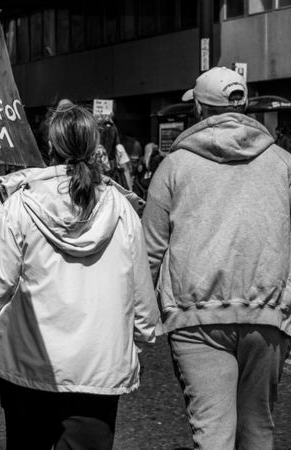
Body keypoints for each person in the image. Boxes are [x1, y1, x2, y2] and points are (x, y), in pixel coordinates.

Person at [0, 104, 158, 450]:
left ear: (50, 149)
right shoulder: (121, 208)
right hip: (98, 371)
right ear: (94, 146)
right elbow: (141, 295)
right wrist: (137, 343)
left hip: (29, 366)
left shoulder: (20, 206)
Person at [142, 66, 291, 449]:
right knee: (258, 429)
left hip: (196, 315)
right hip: (268, 311)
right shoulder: (282, 163)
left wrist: (135, 322)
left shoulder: (174, 165)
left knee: (212, 430)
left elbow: (150, 251)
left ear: (199, 111)